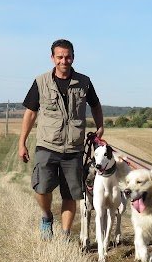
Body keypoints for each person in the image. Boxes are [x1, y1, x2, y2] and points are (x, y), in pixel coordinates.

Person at [19, 39, 104, 240]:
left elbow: (96, 104)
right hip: (47, 145)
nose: (64, 61)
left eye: (67, 56)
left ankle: (65, 236)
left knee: (70, 194)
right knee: (41, 187)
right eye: (60, 57)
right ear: (52, 58)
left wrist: (100, 126)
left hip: (73, 148)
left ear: (73, 57)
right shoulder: (41, 81)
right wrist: (21, 142)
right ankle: (47, 217)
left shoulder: (84, 82)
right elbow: (30, 113)